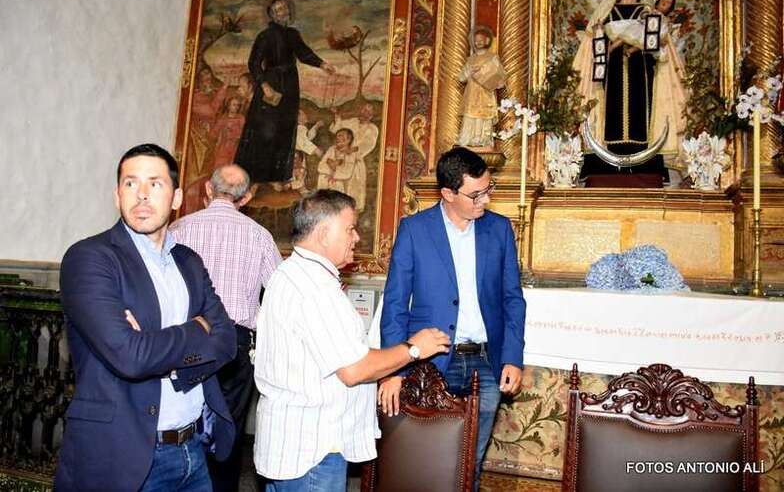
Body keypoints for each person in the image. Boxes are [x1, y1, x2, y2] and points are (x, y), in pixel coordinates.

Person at [56, 144, 237, 492]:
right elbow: (131, 356)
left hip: (193, 449)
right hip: (123, 456)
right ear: (117, 195)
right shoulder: (90, 258)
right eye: (130, 183)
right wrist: (197, 329)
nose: (141, 194)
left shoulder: (188, 261)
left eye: (154, 183)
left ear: (176, 198)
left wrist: (163, 357)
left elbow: (226, 339)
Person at [254, 189, 451, 491]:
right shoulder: (316, 289)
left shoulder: (290, 272)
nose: (356, 237)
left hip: (293, 443)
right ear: (323, 233)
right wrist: (414, 348)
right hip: (314, 450)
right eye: (349, 229)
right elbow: (354, 370)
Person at [378, 147, 526, 491]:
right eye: (476, 194)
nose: (485, 200)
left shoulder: (499, 229)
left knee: (469, 464)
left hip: (485, 364)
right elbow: (395, 304)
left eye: (488, 190)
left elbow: (512, 299)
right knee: (426, 460)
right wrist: (393, 370)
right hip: (430, 364)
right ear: (448, 193)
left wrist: (513, 358)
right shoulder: (414, 229)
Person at [170, 164, 282, 492]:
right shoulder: (259, 236)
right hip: (236, 342)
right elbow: (280, 293)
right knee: (227, 427)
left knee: (182, 421)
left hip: (186, 338)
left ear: (208, 188)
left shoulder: (180, 229)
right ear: (246, 198)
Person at [574, 0, 683, 178]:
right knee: (612, 105)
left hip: (640, 66)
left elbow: (654, 42)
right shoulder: (607, 12)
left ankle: (641, 154)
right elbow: (597, 45)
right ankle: (610, 155)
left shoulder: (647, 11)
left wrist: (637, 40)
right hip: (612, 67)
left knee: (640, 105)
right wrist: (602, 36)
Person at [234, 0, 336, 191]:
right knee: (265, 131)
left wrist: (322, 64)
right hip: (270, 83)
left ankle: (276, 177)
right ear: (272, 14)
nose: (284, 11)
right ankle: (255, 178)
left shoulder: (292, 34)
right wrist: (264, 85)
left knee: (284, 131)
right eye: (279, 9)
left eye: (285, 8)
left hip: (289, 86)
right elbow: (254, 63)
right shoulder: (265, 36)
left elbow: (304, 53)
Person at [457, 25, 507, 147]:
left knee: (483, 116)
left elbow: (501, 76)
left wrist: (491, 77)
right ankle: (467, 138)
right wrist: (469, 72)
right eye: (476, 41)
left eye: (481, 40)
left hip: (485, 93)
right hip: (472, 94)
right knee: (470, 115)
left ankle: (482, 139)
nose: (478, 42)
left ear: (487, 41)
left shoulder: (492, 58)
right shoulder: (471, 59)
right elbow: (461, 77)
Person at [329, 103, 378, 210]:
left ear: (371, 115)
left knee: (354, 188)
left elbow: (369, 144)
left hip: (356, 161)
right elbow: (337, 128)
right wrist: (336, 115)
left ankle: (353, 211)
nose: (364, 113)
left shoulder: (372, 128)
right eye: (363, 110)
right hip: (342, 159)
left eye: (367, 112)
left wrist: (352, 150)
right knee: (340, 185)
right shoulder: (352, 121)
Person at [316, 128, 359, 197]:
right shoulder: (331, 149)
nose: (337, 138)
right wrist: (331, 165)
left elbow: (347, 173)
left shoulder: (351, 154)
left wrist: (334, 170)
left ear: (348, 139)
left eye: (341, 135)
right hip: (323, 183)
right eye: (337, 136)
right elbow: (320, 167)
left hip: (338, 186)